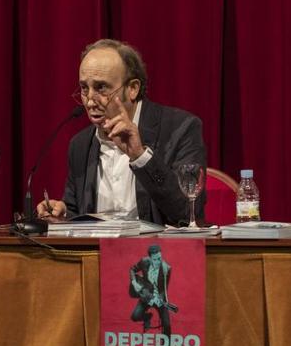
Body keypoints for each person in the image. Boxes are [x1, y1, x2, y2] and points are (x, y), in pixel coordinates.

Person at [36, 39, 206, 226]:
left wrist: (140, 156)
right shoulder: (80, 144)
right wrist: (64, 213)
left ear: (132, 89)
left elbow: (188, 212)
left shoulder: (180, 129)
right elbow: (77, 210)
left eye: (101, 88)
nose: (90, 101)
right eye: (85, 88)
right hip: (97, 253)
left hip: (156, 251)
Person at [129, 245, 175, 346]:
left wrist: (159, 300)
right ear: (150, 258)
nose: (158, 262)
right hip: (146, 295)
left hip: (159, 298)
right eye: (155, 259)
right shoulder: (144, 262)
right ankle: (147, 317)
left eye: (160, 258)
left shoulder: (167, 269)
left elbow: (164, 289)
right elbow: (132, 270)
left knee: (167, 324)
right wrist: (135, 283)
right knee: (135, 316)